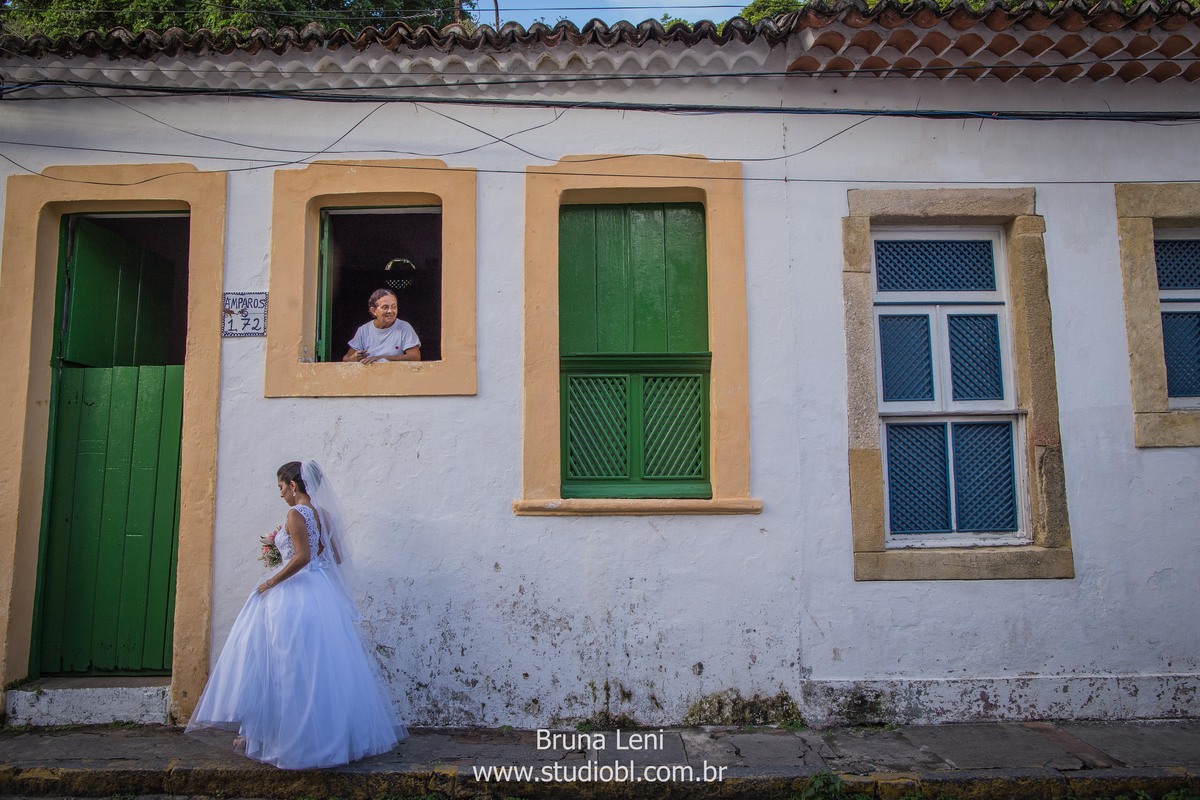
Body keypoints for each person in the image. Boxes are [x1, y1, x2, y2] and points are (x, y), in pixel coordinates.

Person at [186, 461, 406, 770]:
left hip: (295, 596)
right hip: (320, 594)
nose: (280, 494)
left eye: (280, 487)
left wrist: (270, 581)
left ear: (293, 485)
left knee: (286, 665)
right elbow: (336, 557)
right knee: (321, 668)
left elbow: (302, 556)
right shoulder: (324, 515)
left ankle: (287, 740)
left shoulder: (295, 514)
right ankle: (322, 736)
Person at [343, 289, 421, 363]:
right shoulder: (363, 330)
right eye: (385, 307)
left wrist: (382, 358)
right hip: (369, 375)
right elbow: (345, 360)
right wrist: (353, 358)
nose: (390, 311)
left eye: (394, 307)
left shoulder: (404, 327)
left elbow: (415, 357)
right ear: (373, 311)